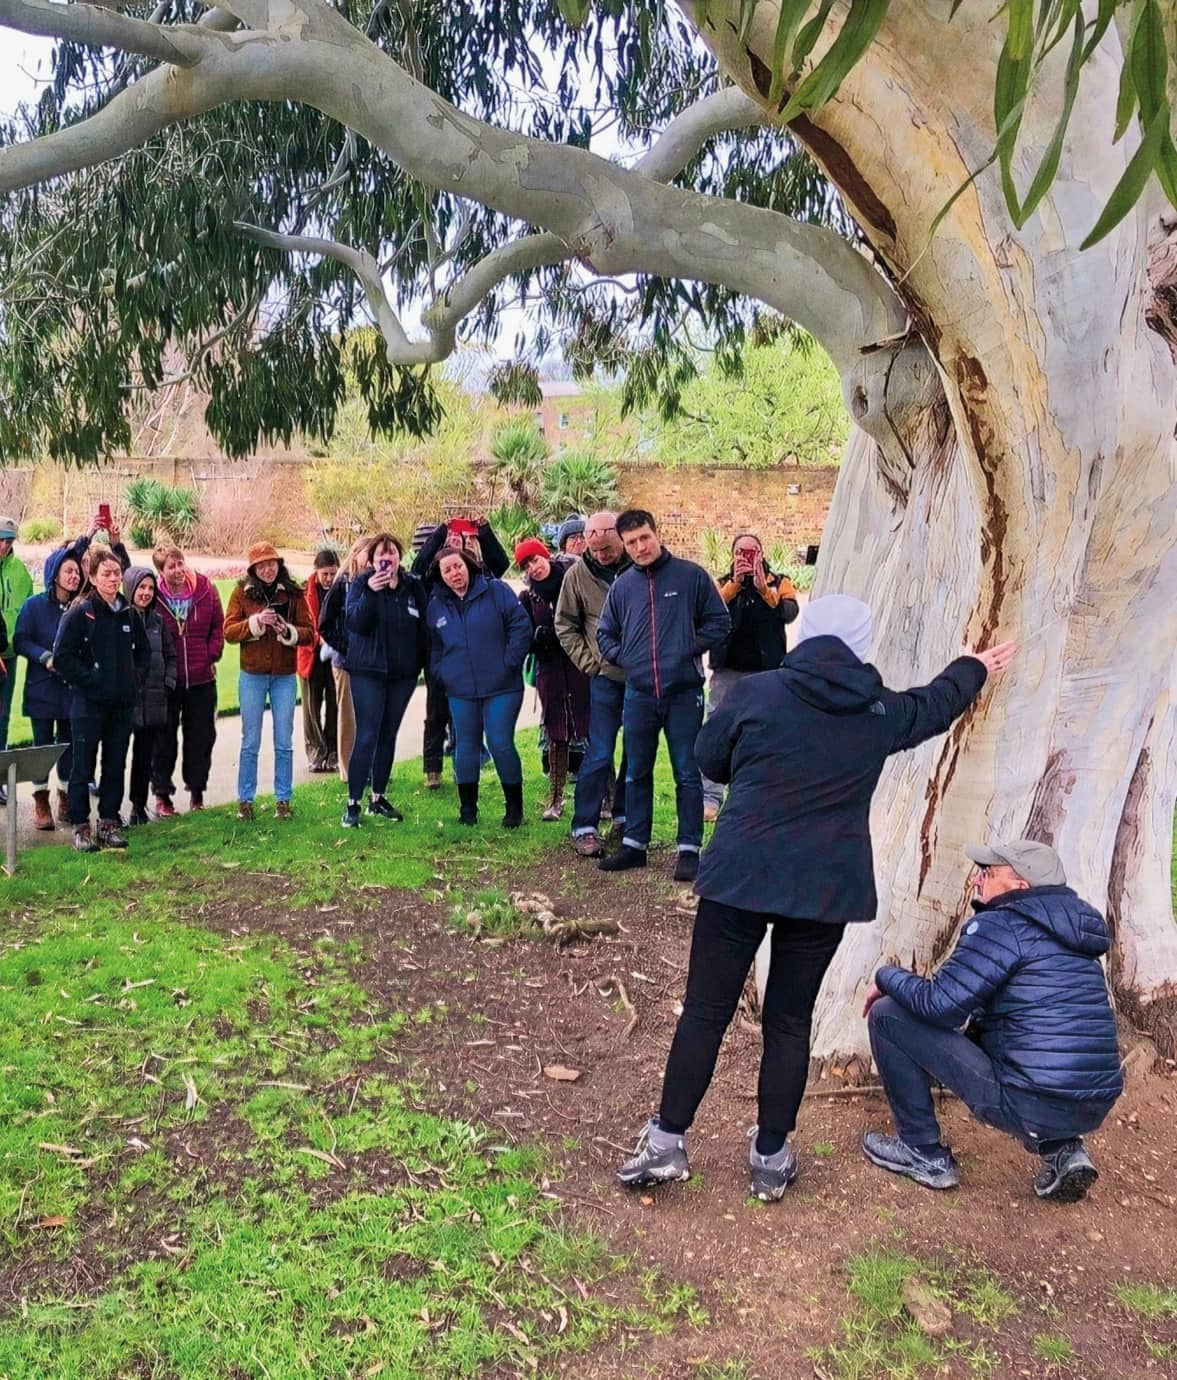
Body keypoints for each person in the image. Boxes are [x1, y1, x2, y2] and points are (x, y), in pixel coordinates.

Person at [617, 595, 1016, 1201]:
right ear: (860, 643)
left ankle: (667, 1141)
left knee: (705, 1010)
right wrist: (973, 666)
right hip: (825, 887)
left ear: (807, 636)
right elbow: (934, 705)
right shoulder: (878, 711)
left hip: (740, 877)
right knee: (789, 1019)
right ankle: (770, 1156)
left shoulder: (756, 693)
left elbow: (707, 758)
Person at [861, 839, 1124, 1202]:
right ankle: (1064, 1149)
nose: (977, 881)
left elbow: (940, 1005)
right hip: (1095, 1100)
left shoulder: (1002, 926)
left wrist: (885, 976)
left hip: (1028, 1099)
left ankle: (922, 1153)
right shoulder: (1075, 935)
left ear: (1020, 887)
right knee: (1034, 1057)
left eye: (989, 873)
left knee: (888, 1014)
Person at [595, 508, 730, 882]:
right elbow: (604, 634)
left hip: (683, 692)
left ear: (657, 534)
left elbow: (720, 623)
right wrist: (629, 660)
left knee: (687, 772)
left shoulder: (691, 576)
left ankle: (689, 849)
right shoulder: (623, 586)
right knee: (636, 770)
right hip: (638, 694)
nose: (640, 547)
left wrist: (687, 647)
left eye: (645, 538)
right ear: (624, 545)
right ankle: (635, 845)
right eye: (632, 542)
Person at [426, 546, 531, 828]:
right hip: (460, 689)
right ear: (441, 575)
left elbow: (521, 626)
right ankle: (468, 809)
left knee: (499, 742)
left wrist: (509, 662)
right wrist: (442, 672)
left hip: (502, 686)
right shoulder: (436, 605)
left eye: (457, 566)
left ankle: (514, 808)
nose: (454, 574)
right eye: (446, 570)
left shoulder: (496, 591)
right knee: (465, 747)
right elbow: (434, 646)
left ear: (468, 565)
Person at [52, 547, 149, 852]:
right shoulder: (81, 612)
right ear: (92, 577)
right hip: (88, 705)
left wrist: (134, 680)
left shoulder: (129, 613)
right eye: (106, 573)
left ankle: (108, 822)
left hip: (121, 705)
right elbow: (63, 657)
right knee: (83, 766)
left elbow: (143, 653)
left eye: (117, 573)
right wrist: (91, 682)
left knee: (115, 764)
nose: (113, 579)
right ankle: (81, 826)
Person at [702, 534, 799, 822]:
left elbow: (789, 613)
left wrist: (761, 588)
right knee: (718, 729)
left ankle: (754, 795)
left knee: (764, 732)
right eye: (741, 552)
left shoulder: (780, 581)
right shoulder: (721, 582)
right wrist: (735, 584)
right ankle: (710, 797)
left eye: (752, 551)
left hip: (766, 671)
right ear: (732, 555)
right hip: (727, 669)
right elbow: (709, 610)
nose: (746, 556)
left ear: (761, 552)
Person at [414, 515, 509, 790]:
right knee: (436, 713)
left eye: (459, 540)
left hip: (474, 658)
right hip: (440, 654)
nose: (455, 543)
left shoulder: (478, 577)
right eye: (450, 542)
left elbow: (500, 565)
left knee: (465, 716)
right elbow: (419, 567)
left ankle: (464, 766)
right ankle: (432, 769)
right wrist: (442, 532)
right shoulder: (433, 579)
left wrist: (484, 532)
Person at [554, 511, 630, 856]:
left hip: (645, 677)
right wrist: (590, 664)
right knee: (599, 751)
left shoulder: (641, 566)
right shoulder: (578, 575)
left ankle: (626, 820)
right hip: (605, 679)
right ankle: (584, 825)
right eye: (594, 548)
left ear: (621, 537)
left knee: (637, 753)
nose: (600, 555)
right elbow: (564, 624)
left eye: (607, 548)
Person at [340, 534, 427, 828]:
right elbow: (355, 623)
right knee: (367, 735)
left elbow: (423, 626)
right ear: (372, 559)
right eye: (381, 554)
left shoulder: (411, 586)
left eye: (391, 554)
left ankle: (378, 797)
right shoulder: (360, 584)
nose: (386, 559)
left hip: (401, 674)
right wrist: (373, 594)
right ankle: (353, 803)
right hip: (368, 671)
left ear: (399, 558)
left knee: (389, 734)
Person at [223, 542, 313, 821]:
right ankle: (245, 801)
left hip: (284, 676)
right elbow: (229, 631)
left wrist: (288, 631)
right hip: (252, 675)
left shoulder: (295, 594)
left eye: (271, 563)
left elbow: (310, 633)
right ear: (253, 569)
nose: (267, 569)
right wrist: (256, 623)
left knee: (283, 740)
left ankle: (283, 800)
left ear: (279, 564)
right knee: (250, 740)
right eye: (261, 565)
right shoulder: (242, 593)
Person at [515, 537, 591, 821]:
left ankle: (607, 796)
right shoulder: (528, 598)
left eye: (535, 560)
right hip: (551, 670)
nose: (533, 568)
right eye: (526, 565)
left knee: (592, 730)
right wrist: (536, 639)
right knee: (556, 732)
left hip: (580, 665)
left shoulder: (574, 581)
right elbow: (523, 636)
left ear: (544, 556)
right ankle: (556, 799)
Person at [13, 546, 84, 830]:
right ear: (55, 575)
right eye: (69, 571)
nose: (74, 576)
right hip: (42, 688)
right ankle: (41, 800)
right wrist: (45, 657)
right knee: (42, 745)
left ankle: (65, 796)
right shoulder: (34, 606)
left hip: (70, 689)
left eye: (77, 572)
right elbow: (20, 640)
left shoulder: (80, 607)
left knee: (68, 745)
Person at [151, 545, 225, 814]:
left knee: (201, 737)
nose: (178, 570)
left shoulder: (205, 588)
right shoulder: (154, 595)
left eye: (180, 563)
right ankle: (162, 795)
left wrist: (210, 654)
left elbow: (219, 624)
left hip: (201, 677)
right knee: (164, 739)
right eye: (171, 567)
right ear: (161, 571)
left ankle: (197, 793)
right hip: (167, 681)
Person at [124, 567, 177, 826]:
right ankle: (109, 812)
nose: (145, 593)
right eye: (141, 587)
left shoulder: (158, 623)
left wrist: (168, 683)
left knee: (145, 758)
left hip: (154, 699)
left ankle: (138, 805)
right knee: (116, 758)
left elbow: (171, 656)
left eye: (149, 588)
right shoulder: (120, 619)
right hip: (125, 701)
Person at [0, 514, 34, 803]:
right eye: (0, 539)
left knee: (3, 716)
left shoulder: (19, 570)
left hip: (8, 655)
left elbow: (28, 610)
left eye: (8, 540)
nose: (3, 545)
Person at [299, 548, 340, 773]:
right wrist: (319, 639)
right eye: (325, 573)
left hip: (335, 655)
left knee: (335, 703)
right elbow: (302, 624)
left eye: (333, 573)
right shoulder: (305, 592)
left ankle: (333, 750)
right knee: (311, 705)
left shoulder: (343, 588)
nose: (329, 578)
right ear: (316, 571)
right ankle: (316, 750)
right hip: (311, 654)